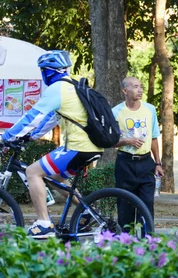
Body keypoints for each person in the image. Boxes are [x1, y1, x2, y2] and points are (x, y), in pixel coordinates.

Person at [0, 50, 103, 237]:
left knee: (32, 172)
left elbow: (33, 117)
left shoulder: (57, 89)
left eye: (43, 71)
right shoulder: (71, 87)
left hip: (78, 148)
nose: (42, 74)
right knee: (55, 176)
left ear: (49, 71)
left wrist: (6, 137)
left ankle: (44, 224)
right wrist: (27, 138)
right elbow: (48, 121)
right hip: (91, 147)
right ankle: (87, 213)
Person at [112, 77, 163, 224]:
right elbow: (110, 141)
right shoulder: (116, 112)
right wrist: (127, 141)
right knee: (125, 208)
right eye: (135, 87)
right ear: (124, 91)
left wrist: (158, 163)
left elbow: (154, 138)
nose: (139, 90)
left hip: (146, 163)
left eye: (140, 87)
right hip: (125, 163)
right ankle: (126, 243)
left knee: (146, 207)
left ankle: (146, 243)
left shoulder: (150, 109)